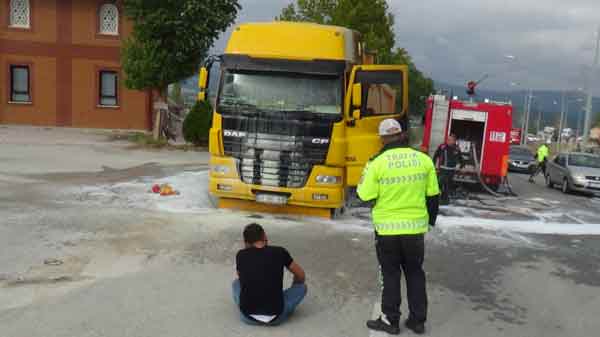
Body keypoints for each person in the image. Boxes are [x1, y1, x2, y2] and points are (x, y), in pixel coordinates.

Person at [357, 119, 440, 335]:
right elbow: (433, 196)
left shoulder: (376, 162)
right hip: (414, 230)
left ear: (382, 138)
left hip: (387, 231)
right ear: (402, 134)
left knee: (390, 274)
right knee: (415, 273)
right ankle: (417, 321)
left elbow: (364, 194)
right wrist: (428, 222)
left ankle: (391, 320)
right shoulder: (423, 160)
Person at [233, 223, 307, 326]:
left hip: (247, 316)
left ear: (246, 243)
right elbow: (301, 275)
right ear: (264, 236)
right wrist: (292, 287)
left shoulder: (241, 255)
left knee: (235, 284)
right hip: (277, 316)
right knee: (302, 287)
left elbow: (242, 279)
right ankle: (283, 306)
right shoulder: (280, 252)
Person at [432, 134, 464, 204]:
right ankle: (435, 198)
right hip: (443, 169)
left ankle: (445, 199)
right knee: (439, 183)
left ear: (454, 141)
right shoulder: (442, 147)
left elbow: (460, 158)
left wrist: (461, 166)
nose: (448, 141)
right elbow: (435, 155)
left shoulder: (457, 148)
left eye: (450, 140)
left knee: (447, 186)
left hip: (451, 170)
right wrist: (433, 165)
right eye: (448, 139)